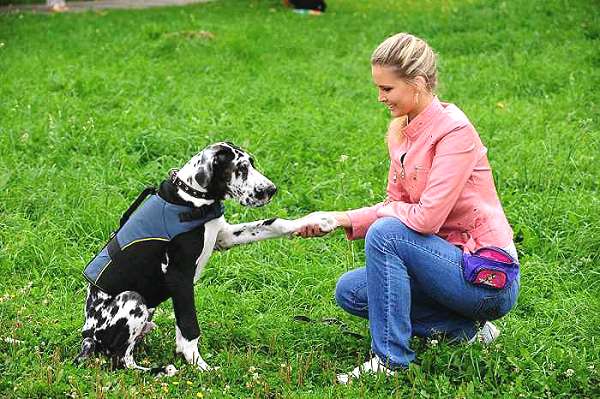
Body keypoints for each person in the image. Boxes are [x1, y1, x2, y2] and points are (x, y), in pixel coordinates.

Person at [296, 32, 520, 384]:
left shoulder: (455, 133)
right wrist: (337, 219)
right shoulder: (401, 131)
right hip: (442, 264)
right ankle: (466, 332)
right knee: (352, 291)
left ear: (416, 83)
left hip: (485, 277)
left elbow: (425, 219)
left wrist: (385, 217)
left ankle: (390, 360)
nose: (380, 98)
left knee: (387, 234)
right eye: (378, 88)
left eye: (387, 89)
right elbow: (396, 206)